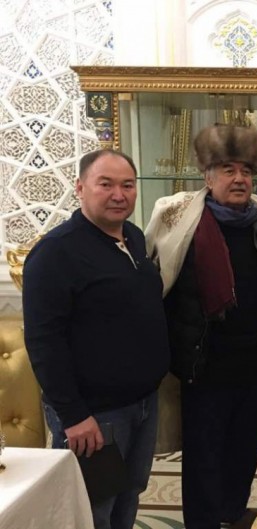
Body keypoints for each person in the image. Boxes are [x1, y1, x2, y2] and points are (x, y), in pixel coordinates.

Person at [145, 124, 257, 529]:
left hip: (254, 360)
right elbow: (154, 282)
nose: (239, 179)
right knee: (203, 454)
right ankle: (202, 521)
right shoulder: (178, 218)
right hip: (204, 365)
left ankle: (233, 512)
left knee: (244, 447)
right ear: (208, 176)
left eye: (246, 171)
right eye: (228, 169)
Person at [22, 149, 170, 529]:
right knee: (92, 509)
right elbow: (43, 341)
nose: (119, 195)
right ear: (80, 187)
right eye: (106, 184)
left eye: (127, 185)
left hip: (141, 404)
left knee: (129, 495)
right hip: (95, 415)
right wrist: (74, 416)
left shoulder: (133, 237)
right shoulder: (56, 252)